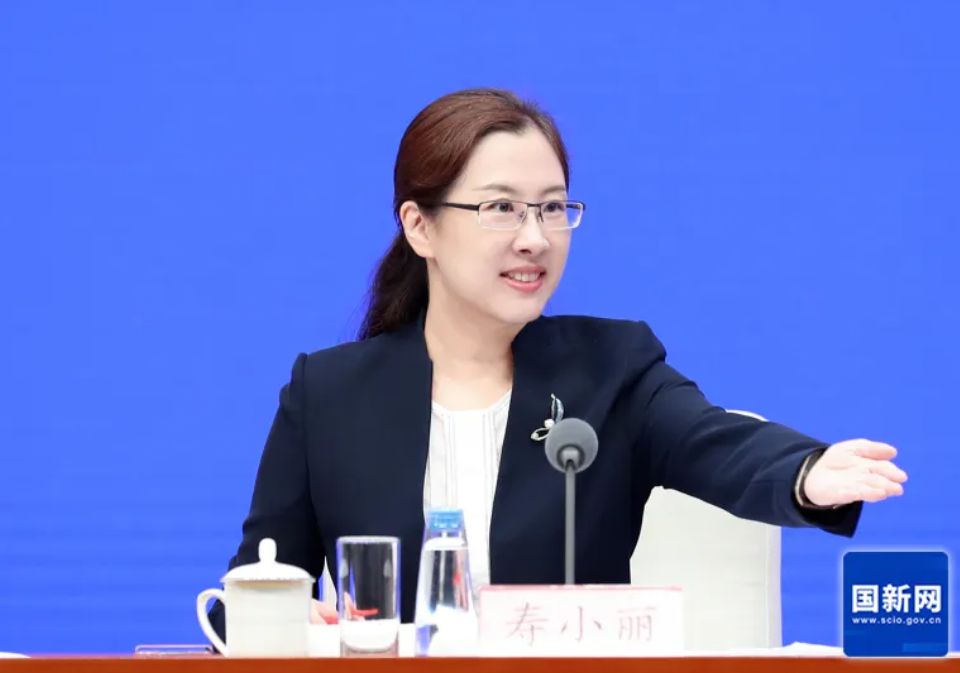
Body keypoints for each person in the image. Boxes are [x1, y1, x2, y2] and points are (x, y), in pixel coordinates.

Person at [206, 87, 907, 640]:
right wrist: (279, 618)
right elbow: (250, 590)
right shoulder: (328, 394)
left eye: (552, 208)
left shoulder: (610, 369)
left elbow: (714, 442)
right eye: (501, 208)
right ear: (420, 227)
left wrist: (807, 473)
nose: (535, 238)